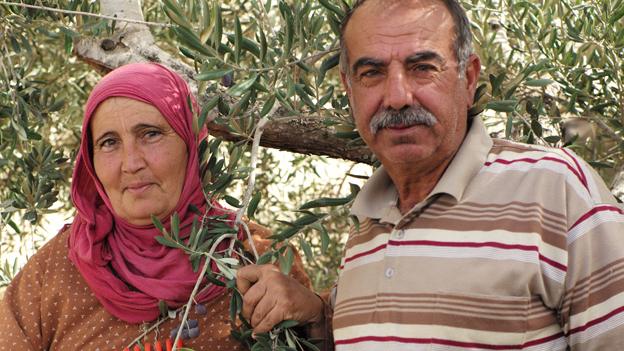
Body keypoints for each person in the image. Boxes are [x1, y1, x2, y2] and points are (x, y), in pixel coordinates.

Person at [236, 0, 624, 349]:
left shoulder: (553, 188)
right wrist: (318, 316)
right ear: (348, 89)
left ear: (469, 78)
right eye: (371, 73)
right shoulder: (367, 228)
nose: (398, 96)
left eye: (422, 68)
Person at [0, 62, 310, 351]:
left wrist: (316, 319)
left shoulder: (258, 256)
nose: (131, 163)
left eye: (150, 134)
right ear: (90, 163)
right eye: (109, 142)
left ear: (191, 143)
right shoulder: (55, 270)